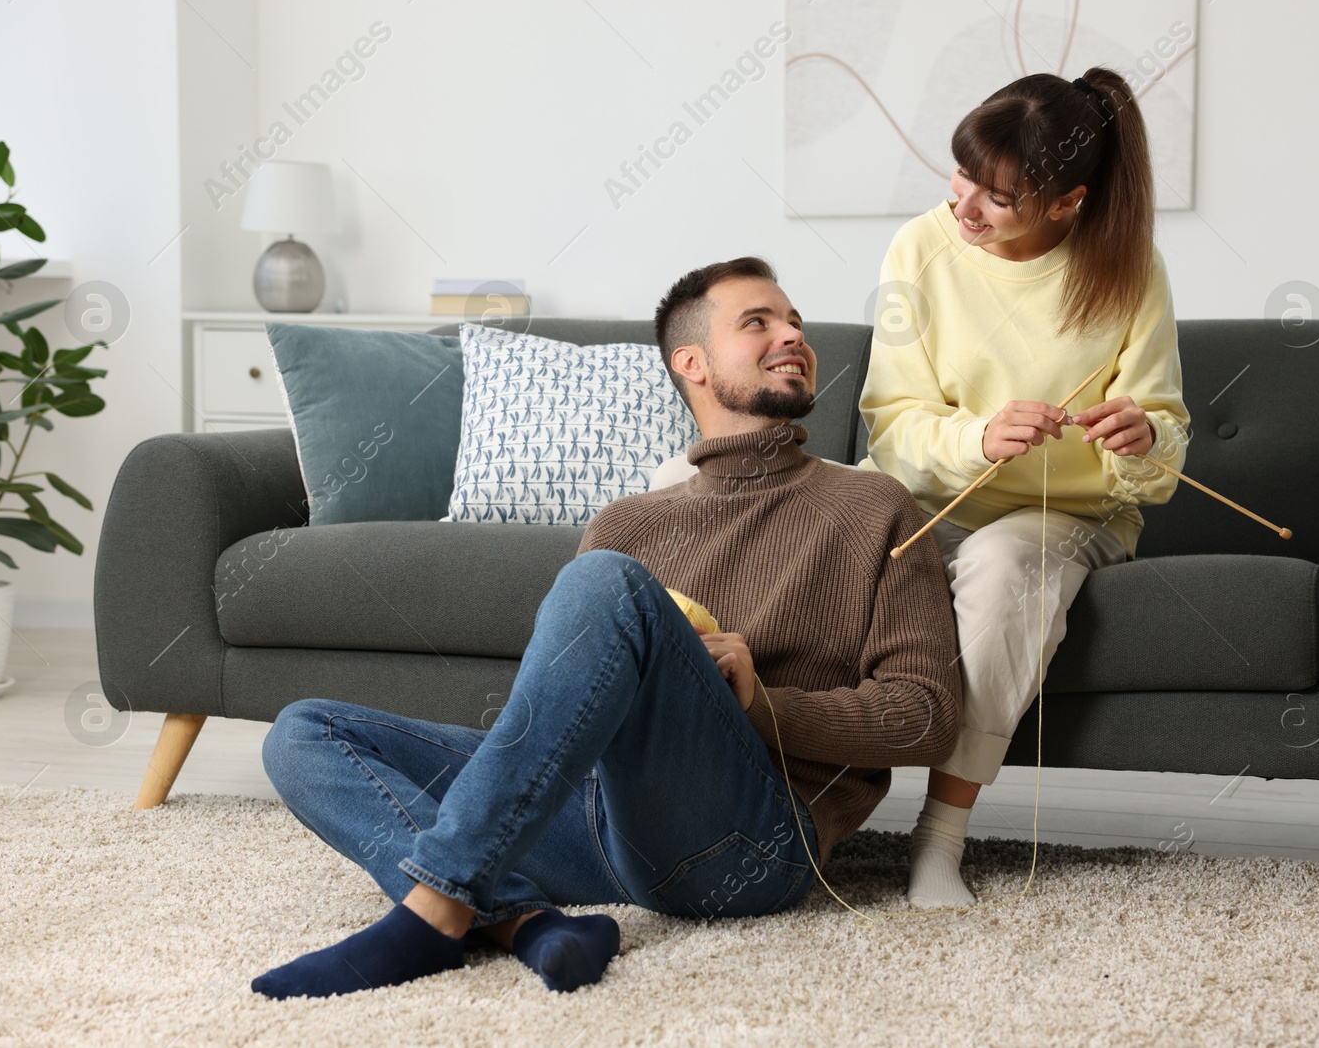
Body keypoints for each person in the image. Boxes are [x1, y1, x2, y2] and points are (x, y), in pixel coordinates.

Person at [252, 256, 965, 1000]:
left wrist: (762, 706)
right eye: (759, 322)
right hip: (592, 823)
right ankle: (524, 922)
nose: (792, 335)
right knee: (302, 732)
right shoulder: (628, 522)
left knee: (604, 581)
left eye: (794, 322)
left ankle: (436, 911)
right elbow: (564, 710)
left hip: (749, 843)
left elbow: (929, 717)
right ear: (690, 362)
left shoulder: (874, 506)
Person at [856, 68, 1191, 909]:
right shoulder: (919, 248)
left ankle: (939, 840)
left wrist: (1143, 437)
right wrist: (977, 437)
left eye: (995, 199)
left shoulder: (1129, 269)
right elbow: (893, 429)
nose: (963, 208)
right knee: (817, 534)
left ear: (1067, 202)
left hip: (1067, 513)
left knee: (1007, 563)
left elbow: (1161, 454)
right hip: (930, 495)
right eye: (962, 178)